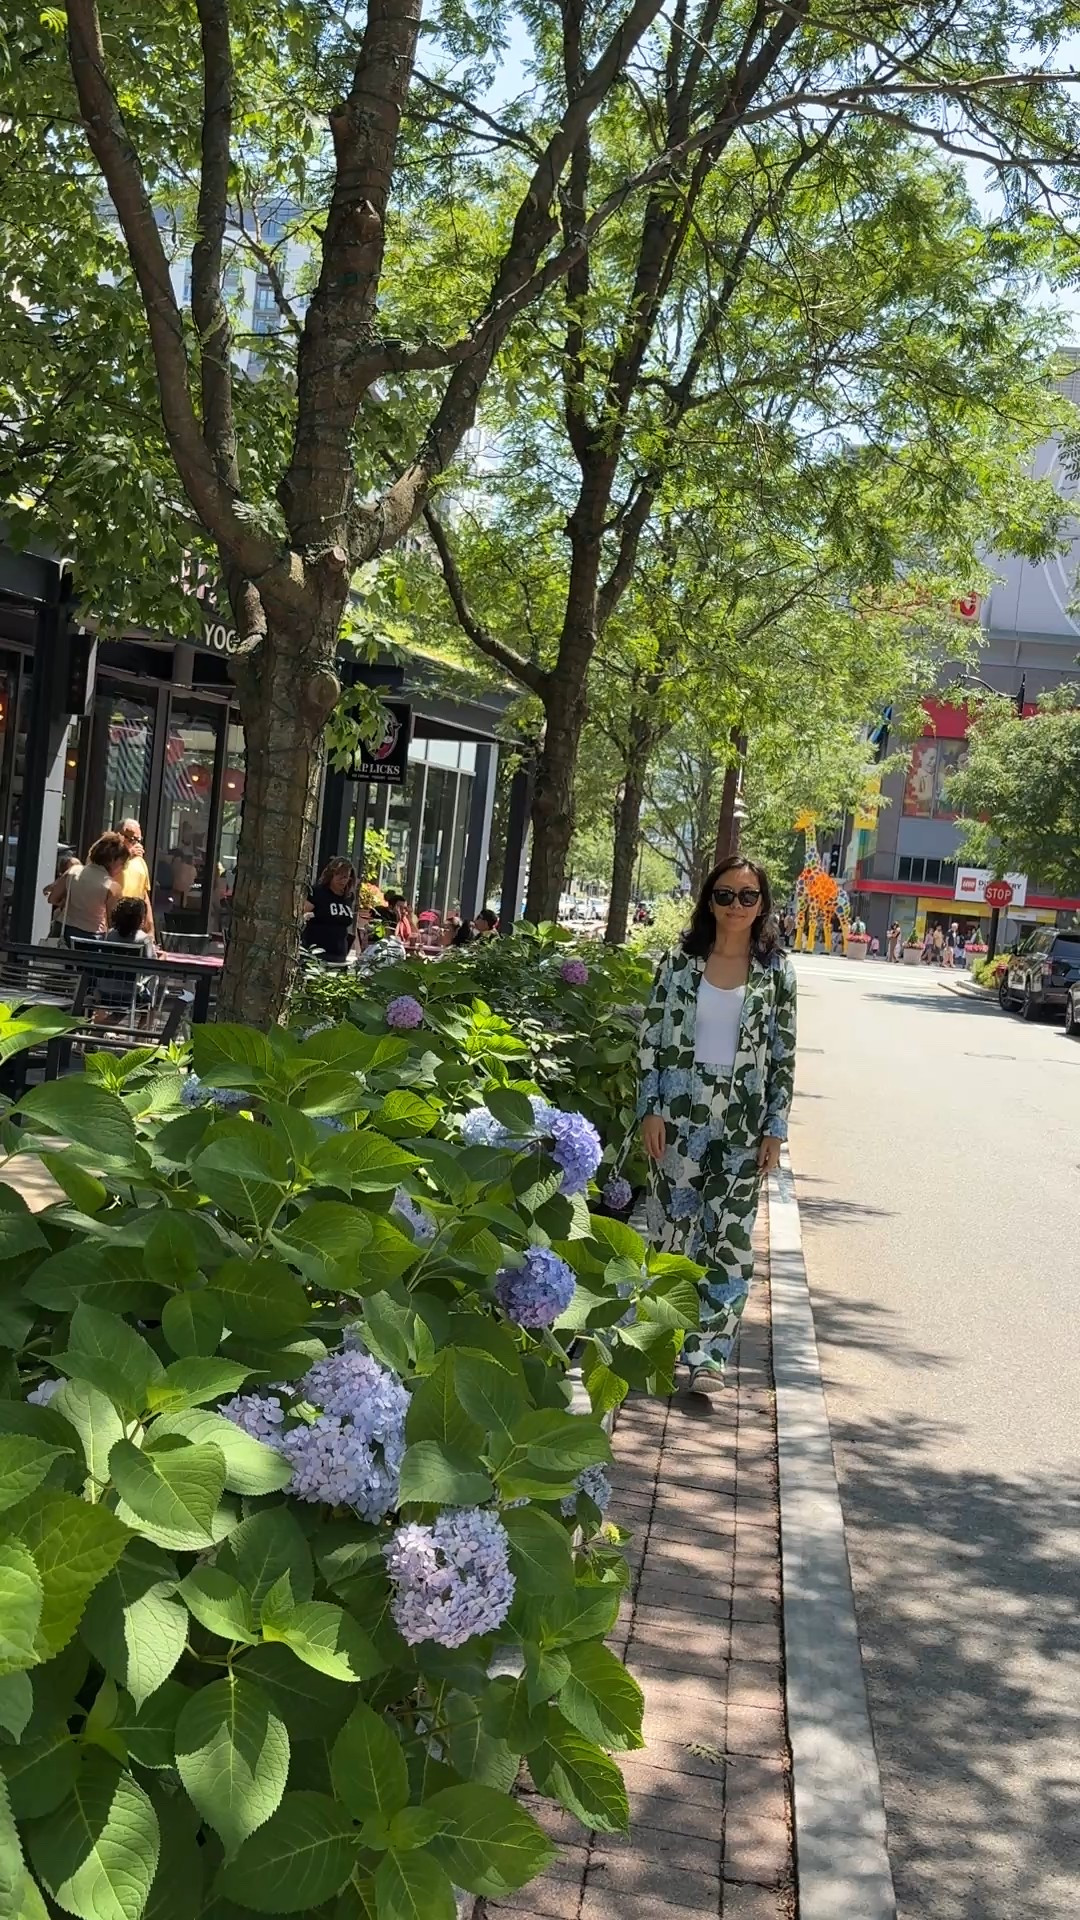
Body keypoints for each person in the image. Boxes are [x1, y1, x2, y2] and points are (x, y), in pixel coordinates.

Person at [637, 855, 797, 1401]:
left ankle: (708, 1356)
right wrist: (649, 1108)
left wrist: (775, 1126)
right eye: (725, 895)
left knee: (729, 1240)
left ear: (762, 905)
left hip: (742, 1121)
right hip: (678, 1116)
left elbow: (783, 1054)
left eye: (747, 896)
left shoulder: (778, 973)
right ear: (709, 901)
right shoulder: (679, 964)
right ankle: (659, 1342)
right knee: (672, 1233)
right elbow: (651, 1040)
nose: (736, 906)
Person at [92, 896, 158, 1022]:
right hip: (129, 994)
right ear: (140, 919)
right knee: (151, 1001)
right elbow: (152, 968)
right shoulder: (144, 939)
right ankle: (140, 1036)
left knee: (125, 995)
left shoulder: (109, 935)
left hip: (104, 991)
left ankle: (100, 1029)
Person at [62, 832, 128, 942]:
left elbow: (53, 897)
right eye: (122, 864)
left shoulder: (73, 871)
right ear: (113, 861)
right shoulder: (112, 887)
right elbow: (114, 923)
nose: (123, 868)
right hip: (92, 937)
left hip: (66, 931)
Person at [302, 857, 357, 962]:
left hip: (339, 955)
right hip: (317, 954)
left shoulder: (348, 897)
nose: (342, 880)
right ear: (331, 875)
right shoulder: (318, 892)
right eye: (338, 875)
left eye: (345, 877)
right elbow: (302, 913)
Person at [118, 818, 155, 939]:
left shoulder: (140, 863)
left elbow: (144, 896)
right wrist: (127, 854)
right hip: (114, 924)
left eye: (138, 840)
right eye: (131, 839)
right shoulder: (111, 860)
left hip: (134, 927)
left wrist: (150, 931)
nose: (136, 844)